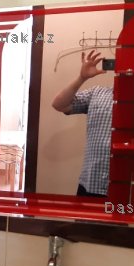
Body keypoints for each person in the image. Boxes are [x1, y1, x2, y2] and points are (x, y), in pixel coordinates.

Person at [51, 50, 112, 197]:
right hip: (91, 183)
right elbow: (59, 104)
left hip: (125, 187)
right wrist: (81, 78)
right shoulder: (97, 93)